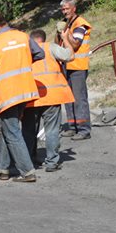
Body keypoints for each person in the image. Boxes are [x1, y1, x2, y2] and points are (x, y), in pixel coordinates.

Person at [0, 8, 44, 183]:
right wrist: (21, 60)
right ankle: (2, 168)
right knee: (9, 129)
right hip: (25, 91)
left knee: (13, 132)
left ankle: (27, 171)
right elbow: (40, 53)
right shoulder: (22, 36)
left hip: (7, 94)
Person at [23, 29, 75, 172]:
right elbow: (70, 56)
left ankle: (28, 161)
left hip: (31, 98)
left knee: (28, 130)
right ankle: (52, 162)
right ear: (44, 39)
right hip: (52, 96)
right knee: (52, 130)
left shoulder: (25, 50)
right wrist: (66, 39)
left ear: (31, 40)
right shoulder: (50, 47)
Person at [56, 0, 93, 141]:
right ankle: (73, 127)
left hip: (78, 66)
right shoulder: (68, 23)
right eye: (63, 9)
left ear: (74, 8)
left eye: (67, 9)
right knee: (68, 97)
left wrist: (65, 34)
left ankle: (84, 129)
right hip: (67, 64)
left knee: (79, 98)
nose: (64, 12)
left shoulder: (80, 24)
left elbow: (76, 44)